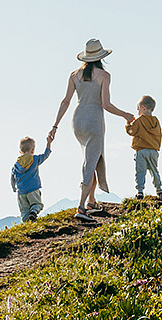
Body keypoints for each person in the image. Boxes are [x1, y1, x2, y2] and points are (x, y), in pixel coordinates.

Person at [52, 39, 135, 222]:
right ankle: (81, 207)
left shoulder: (74, 75)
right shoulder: (104, 76)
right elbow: (106, 105)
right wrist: (125, 115)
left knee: (93, 157)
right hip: (94, 120)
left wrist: (55, 125)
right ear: (100, 57)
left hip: (77, 120)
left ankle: (91, 201)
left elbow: (65, 101)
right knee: (90, 162)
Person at [125, 95, 162, 200]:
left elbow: (131, 131)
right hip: (153, 150)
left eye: (138, 109)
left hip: (141, 151)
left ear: (143, 107)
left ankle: (140, 191)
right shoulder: (156, 121)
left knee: (140, 171)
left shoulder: (140, 120)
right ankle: (159, 190)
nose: (137, 112)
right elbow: (159, 134)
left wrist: (128, 123)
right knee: (154, 170)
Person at [10, 135, 52, 222]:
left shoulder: (16, 165)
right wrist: (48, 143)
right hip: (33, 189)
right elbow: (46, 155)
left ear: (20, 152)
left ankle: (27, 224)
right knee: (37, 204)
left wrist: (14, 188)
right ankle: (33, 213)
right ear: (33, 150)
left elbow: (12, 178)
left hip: (21, 191)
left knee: (24, 211)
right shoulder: (35, 159)